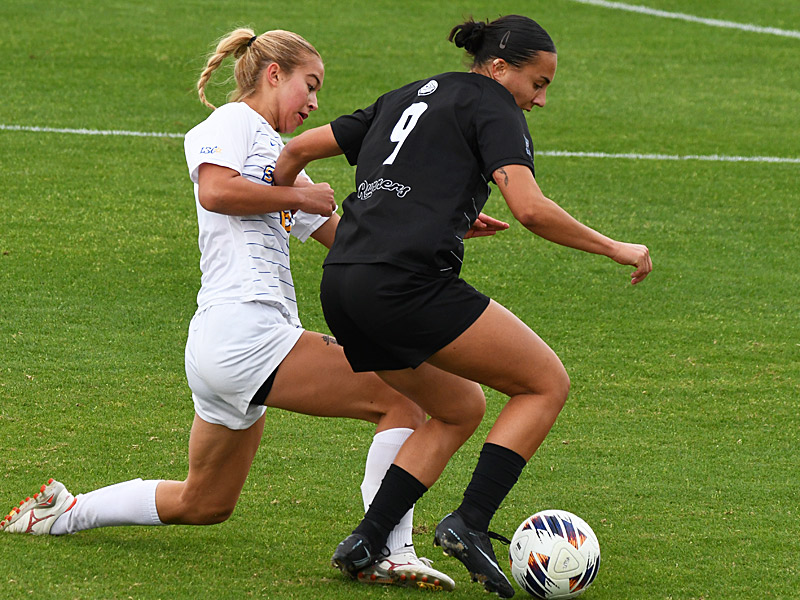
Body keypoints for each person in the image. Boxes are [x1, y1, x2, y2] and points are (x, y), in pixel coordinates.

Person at [0, 26, 477, 592]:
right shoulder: (232, 123)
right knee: (401, 397)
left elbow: (352, 239)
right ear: (273, 74)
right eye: (310, 84)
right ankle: (388, 551)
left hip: (226, 347)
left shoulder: (278, 157)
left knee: (205, 501)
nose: (315, 102)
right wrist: (300, 194)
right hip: (245, 332)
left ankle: (64, 511)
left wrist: (444, 222)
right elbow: (216, 191)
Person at [273, 14, 652, 599]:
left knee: (458, 407)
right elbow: (529, 208)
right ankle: (470, 521)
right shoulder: (493, 105)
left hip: (344, 282)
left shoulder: (409, 94)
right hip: (407, 285)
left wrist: (285, 204)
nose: (540, 100)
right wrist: (614, 247)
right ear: (499, 68)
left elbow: (298, 149)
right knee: (545, 383)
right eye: (538, 83)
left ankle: (368, 540)